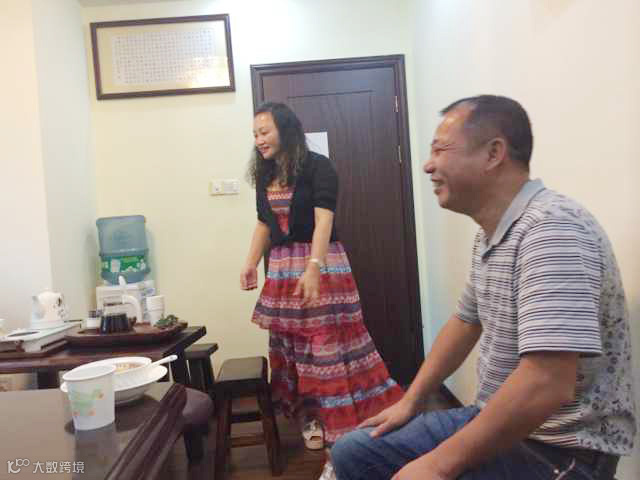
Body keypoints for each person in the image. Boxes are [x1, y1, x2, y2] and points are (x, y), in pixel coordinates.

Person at [331, 95, 636, 480]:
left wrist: (438, 465)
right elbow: (465, 321)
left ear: (493, 153)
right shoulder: (492, 233)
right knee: (354, 452)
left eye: (440, 149)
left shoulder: (552, 230)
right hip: (498, 420)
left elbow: (547, 381)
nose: (428, 165)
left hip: (559, 448)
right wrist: (411, 401)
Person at [241, 102, 404, 479]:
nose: (259, 140)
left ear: (285, 130)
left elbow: (323, 219)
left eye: (264, 132)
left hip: (322, 264)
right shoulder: (265, 173)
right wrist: (250, 262)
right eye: (255, 134)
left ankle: (344, 430)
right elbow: (264, 223)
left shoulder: (318, 166)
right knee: (294, 349)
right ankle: (312, 419)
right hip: (283, 269)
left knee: (328, 347)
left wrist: (314, 266)